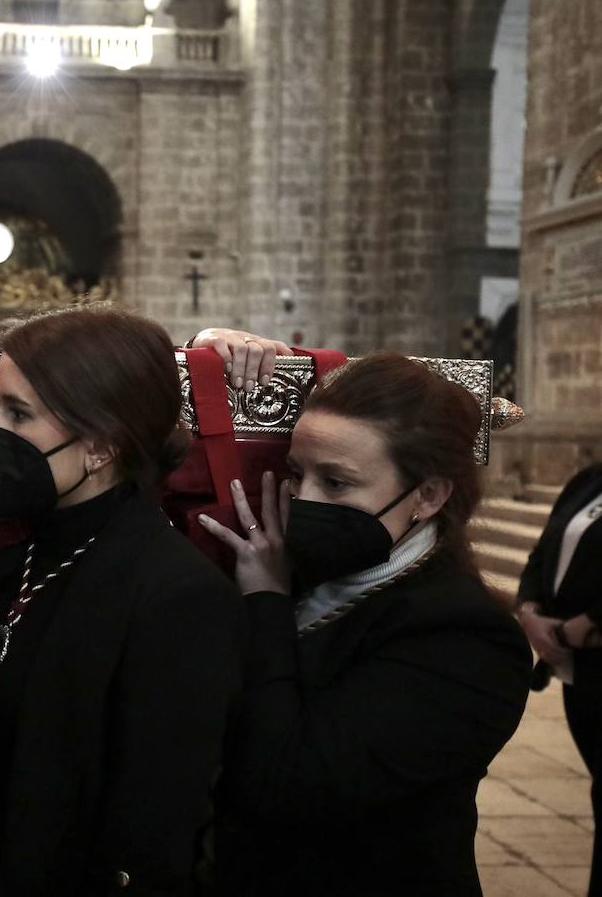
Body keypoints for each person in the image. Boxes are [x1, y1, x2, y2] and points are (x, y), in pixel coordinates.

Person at [0, 306, 245, 895]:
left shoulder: (176, 594)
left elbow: (148, 833)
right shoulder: (9, 553)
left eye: (18, 412)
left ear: (100, 446)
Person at [202, 351, 533, 896]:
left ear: (427, 494)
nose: (302, 501)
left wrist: (265, 599)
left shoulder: (466, 638)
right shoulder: (313, 569)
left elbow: (285, 785)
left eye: (336, 483)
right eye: (296, 473)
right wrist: (223, 348)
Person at [517, 462, 602, 897]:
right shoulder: (589, 481)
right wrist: (530, 612)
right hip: (578, 672)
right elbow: (542, 553)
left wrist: (582, 626)